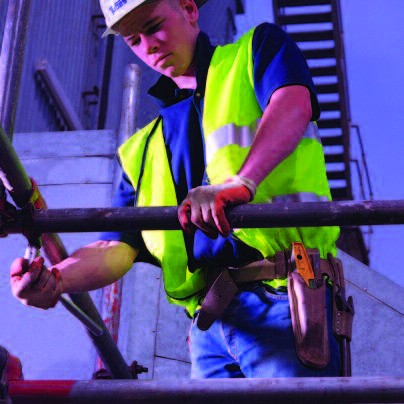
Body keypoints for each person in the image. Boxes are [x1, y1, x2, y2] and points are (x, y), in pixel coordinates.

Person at [10, 0, 343, 378]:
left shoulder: (255, 50)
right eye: (133, 40)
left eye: (153, 27)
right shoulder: (140, 150)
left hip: (285, 293)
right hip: (209, 327)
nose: (148, 45)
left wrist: (242, 182)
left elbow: (292, 103)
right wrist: (55, 279)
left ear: (189, 8)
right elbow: (115, 247)